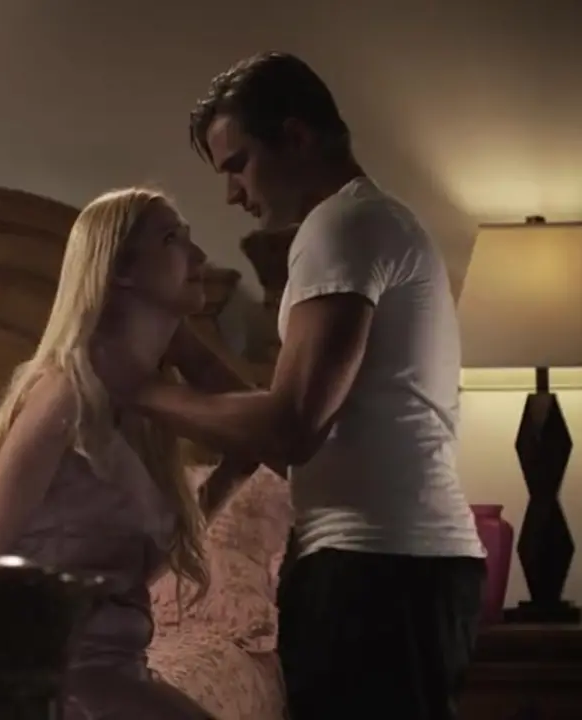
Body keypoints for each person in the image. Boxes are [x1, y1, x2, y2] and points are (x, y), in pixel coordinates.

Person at [132, 52, 488, 720]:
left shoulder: (341, 226)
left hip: (375, 570)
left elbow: (291, 428)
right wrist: (187, 353)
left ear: (296, 137)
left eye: (238, 164)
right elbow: (292, 423)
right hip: (394, 565)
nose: (232, 194)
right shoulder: (369, 222)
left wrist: (137, 390)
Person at [0, 187, 250, 720]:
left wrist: (230, 474)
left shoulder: (144, 406)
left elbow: (129, 574)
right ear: (120, 270)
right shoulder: (65, 392)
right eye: (173, 239)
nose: (199, 256)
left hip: (117, 666)